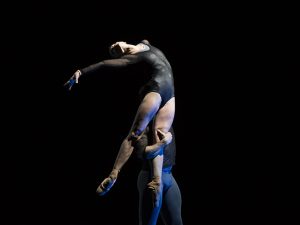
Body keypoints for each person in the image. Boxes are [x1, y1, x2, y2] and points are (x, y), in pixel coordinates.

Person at [64, 39, 175, 206]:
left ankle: (156, 181)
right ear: (121, 55)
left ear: (122, 41)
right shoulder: (131, 57)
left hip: (170, 93)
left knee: (160, 136)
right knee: (135, 133)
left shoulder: (144, 42)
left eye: (114, 46)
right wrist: (82, 71)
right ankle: (113, 174)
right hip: (156, 88)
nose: (114, 48)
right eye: (114, 51)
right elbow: (103, 64)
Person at [135, 124, 183, 225]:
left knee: (176, 222)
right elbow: (141, 152)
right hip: (151, 176)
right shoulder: (148, 118)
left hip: (169, 175)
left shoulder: (167, 115)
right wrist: (163, 142)